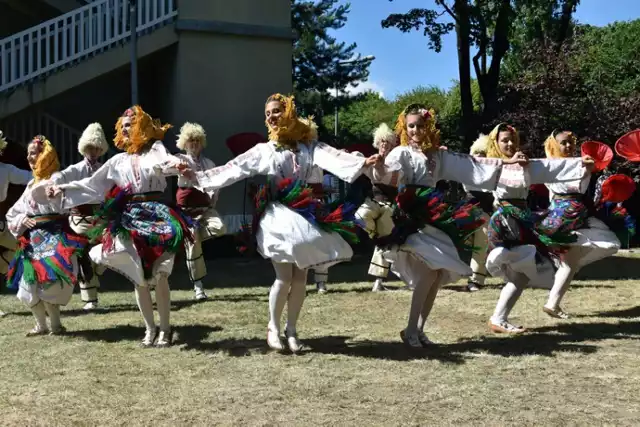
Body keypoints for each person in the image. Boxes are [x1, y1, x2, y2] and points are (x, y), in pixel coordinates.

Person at [194, 94, 380, 353]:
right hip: (278, 216)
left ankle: (292, 330)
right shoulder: (265, 150)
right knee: (284, 277)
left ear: (290, 113)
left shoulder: (308, 148)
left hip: (305, 215)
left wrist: (361, 163)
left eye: (278, 111)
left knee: (301, 277)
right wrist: (195, 176)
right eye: (268, 112)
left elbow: (334, 158)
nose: (272, 116)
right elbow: (233, 168)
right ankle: (273, 326)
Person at [371, 105, 526, 348]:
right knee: (426, 274)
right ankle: (412, 329)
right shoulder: (401, 152)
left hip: (434, 214)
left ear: (428, 127)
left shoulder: (437, 155)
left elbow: (471, 165)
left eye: (420, 125)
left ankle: (418, 330)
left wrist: (507, 163)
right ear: (404, 127)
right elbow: (386, 174)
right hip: (413, 215)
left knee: (435, 275)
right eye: (411, 126)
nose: (416, 130)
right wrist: (379, 165)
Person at [41, 106, 194, 347]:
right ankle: (149, 328)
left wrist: (177, 165)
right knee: (139, 278)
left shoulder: (154, 149)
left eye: (131, 124)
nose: (126, 128)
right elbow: (93, 185)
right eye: (123, 125)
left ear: (142, 126)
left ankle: (165, 329)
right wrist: (62, 188)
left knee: (161, 275)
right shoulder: (117, 161)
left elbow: (164, 161)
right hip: (131, 218)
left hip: (158, 216)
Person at [484, 124, 594, 333]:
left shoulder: (526, 164)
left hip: (522, 220)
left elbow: (554, 169)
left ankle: (498, 319)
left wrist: (582, 167)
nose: (509, 144)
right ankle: (498, 318)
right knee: (519, 274)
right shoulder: (492, 166)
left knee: (521, 276)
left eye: (513, 140)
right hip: (507, 223)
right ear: (495, 143)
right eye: (504, 140)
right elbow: (475, 169)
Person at [6, 136, 87, 335]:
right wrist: (22, 219)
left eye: (33, 153)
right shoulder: (31, 183)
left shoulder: (57, 178)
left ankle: (56, 325)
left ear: (44, 154)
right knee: (28, 282)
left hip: (55, 235)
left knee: (50, 280)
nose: (30, 158)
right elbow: (13, 213)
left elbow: (68, 201)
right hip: (33, 240)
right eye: (28, 154)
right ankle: (41, 325)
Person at [539, 130, 621, 318]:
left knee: (578, 260)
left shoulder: (582, 165)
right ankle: (552, 303)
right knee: (570, 264)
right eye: (563, 143)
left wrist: (587, 167)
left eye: (570, 143)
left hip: (574, 217)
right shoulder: (547, 167)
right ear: (554, 145)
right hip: (562, 220)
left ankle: (553, 302)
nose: (568, 146)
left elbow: (583, 183)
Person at [54, 123, 109, 310]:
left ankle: (97, 269)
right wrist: (53, 184)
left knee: (112, 247)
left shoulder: (105, 169)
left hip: (101, 220)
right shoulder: (75, 169)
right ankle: (90, 300)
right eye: (89, 148)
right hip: (79, 220)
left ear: (101, 149)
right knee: (82, 252)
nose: (93, 152)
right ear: (83, 149)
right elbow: (59, 177)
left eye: (96, 148)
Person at [175, 122, 227, 300]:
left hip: (204, 208)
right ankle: (199, 288)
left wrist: (213, 197)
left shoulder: (209, 162)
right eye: (191, 141)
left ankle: (190, 238)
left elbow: (216, 183)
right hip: (186, 211)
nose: (194, 144)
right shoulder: (179, 160)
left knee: (220, 227)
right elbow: (164, 168)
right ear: (185, 143)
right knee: (194, 245)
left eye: (197, 140)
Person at [354, 123, 398, 292]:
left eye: (387, 142)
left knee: (384, 242)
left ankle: (378, 282)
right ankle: (375, 235)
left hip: (389, 207)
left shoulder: (396, 164)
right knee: (360, 217)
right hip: (372, 203)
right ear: (377, 143)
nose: (384, 145)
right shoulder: (371, 160)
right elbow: (357, 161)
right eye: (381, 142)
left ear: (392, 145)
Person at [0, 131, 33, 317]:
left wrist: (50, 171)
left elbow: (31, 177)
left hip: (3, 225)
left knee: (22, 248)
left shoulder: (6, 169)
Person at [463, 134, 495, 292]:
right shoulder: (466, 172)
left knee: (481, 242)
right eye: (477, 154)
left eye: (483, 154)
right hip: (468, 212)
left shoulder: (493, 174)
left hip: (485, 214)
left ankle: (475, 280)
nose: (480, 157)